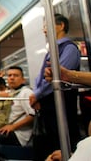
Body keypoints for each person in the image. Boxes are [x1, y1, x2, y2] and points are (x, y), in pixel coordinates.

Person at [29, 13, 81, 161]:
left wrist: (37, 94)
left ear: (61, 26)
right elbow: (43, 77)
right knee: (50, 144)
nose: (44, 30)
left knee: (63, 141)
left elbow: (58, 76)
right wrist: (36, 93)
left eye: (47, 26)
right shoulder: (52, 50)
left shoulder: (69, 48)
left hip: (61, 103)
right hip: (49, 105)